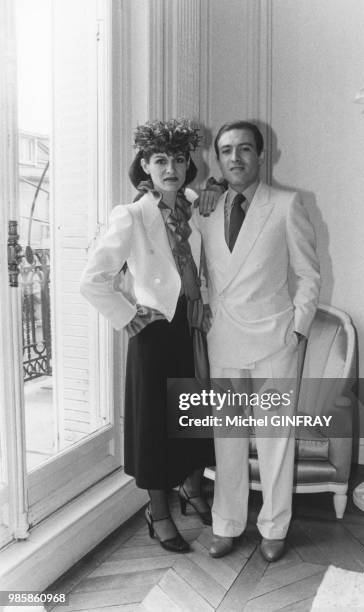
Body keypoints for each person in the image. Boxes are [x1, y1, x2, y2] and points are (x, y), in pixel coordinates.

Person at [80, 119, 215, 554]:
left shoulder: (197, 207)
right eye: (160, 159)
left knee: (195, 418)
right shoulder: (132, 215)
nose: (170, 167)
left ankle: (193, 490)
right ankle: (158, 514)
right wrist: (127, 314)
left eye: (178, 158)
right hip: (155, 334)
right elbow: (93, 279)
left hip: (193, 326)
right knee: (157, 427)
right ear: (145, 165)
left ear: (188, 164)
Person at [194, 121, 320, 561]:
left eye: (244, 149)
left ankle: (274, 526)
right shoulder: (204, 208)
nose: (235, 158)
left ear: (262, 155)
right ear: (217, 158)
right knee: (226, 438)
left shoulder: (286, 205)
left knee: (275, 437)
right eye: (226, 150)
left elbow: (308, 274)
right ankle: (226, 523)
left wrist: (298, 327)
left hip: (274, 338)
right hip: (223, 337)